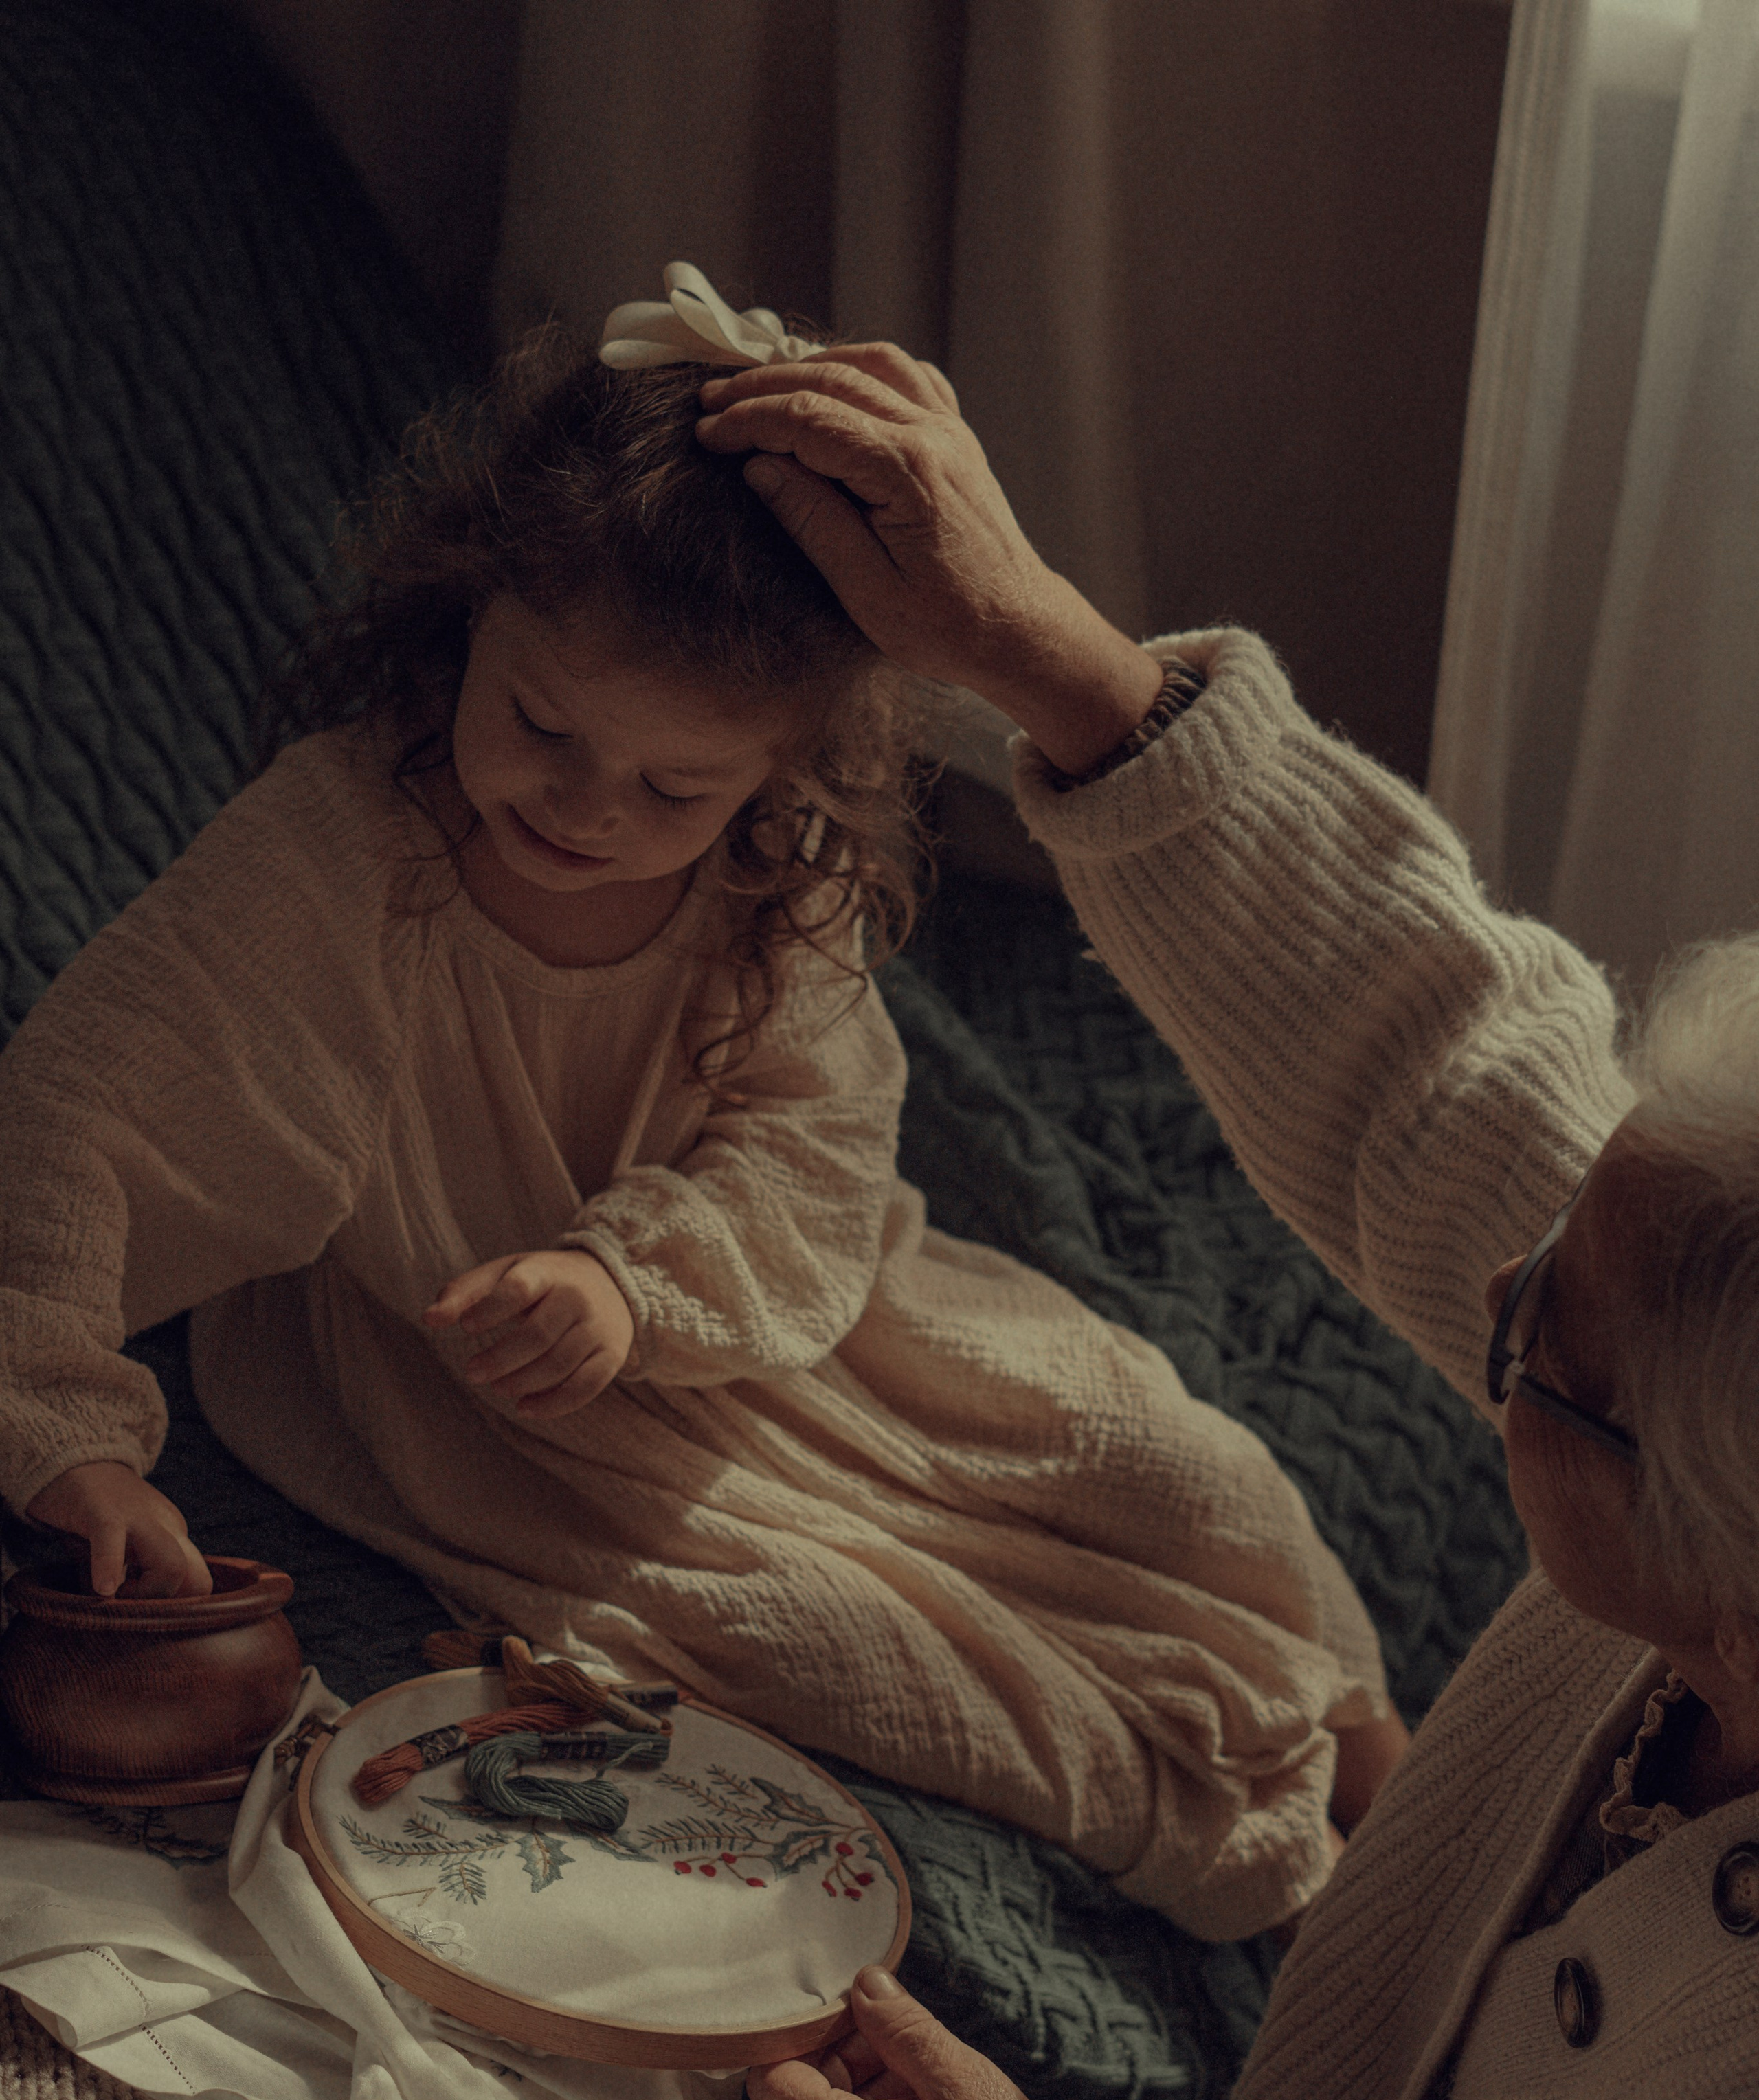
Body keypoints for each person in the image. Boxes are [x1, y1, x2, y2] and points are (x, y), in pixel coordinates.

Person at [667, 344, 1759, 2100]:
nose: (1498, 1286)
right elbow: (1452, 1067)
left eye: (1533, 1363)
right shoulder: (1690, 1402)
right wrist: (1044, 655)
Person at [0, 277, 1403, 1944]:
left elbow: (809, 1150)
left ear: (781, 769)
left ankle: (1403, 1783)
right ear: (470, 616)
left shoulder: (774, 869)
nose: (588, 811)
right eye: (540, 726)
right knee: (830, 1630)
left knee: (1183, 1466)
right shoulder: (338, 861)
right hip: (485, 1390)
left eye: (677, 786)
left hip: (783, 1312)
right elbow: (71, 1127)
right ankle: (1315, 1905)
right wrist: (70, 1441)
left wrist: (631, 1280)